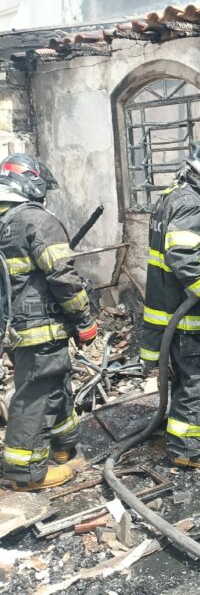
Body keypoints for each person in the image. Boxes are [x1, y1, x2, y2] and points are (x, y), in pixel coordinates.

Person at [0, 153, 97, 491]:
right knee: (38, 392)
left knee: (55, 382)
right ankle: (24, 474)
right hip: (39, 325)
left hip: (17, 327)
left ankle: (62, 446)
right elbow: (62, 275)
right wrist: (84, 317)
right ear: (31, 184)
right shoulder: (35, 220)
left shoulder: (5, 220)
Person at [140, 141, 200, 469]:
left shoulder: (170, 198)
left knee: (183, 380)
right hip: (188, 317)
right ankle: (189, 451)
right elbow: (183, 256)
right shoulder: (193, 206)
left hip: (170, 316)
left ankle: (180, 438)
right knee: (199, 380)